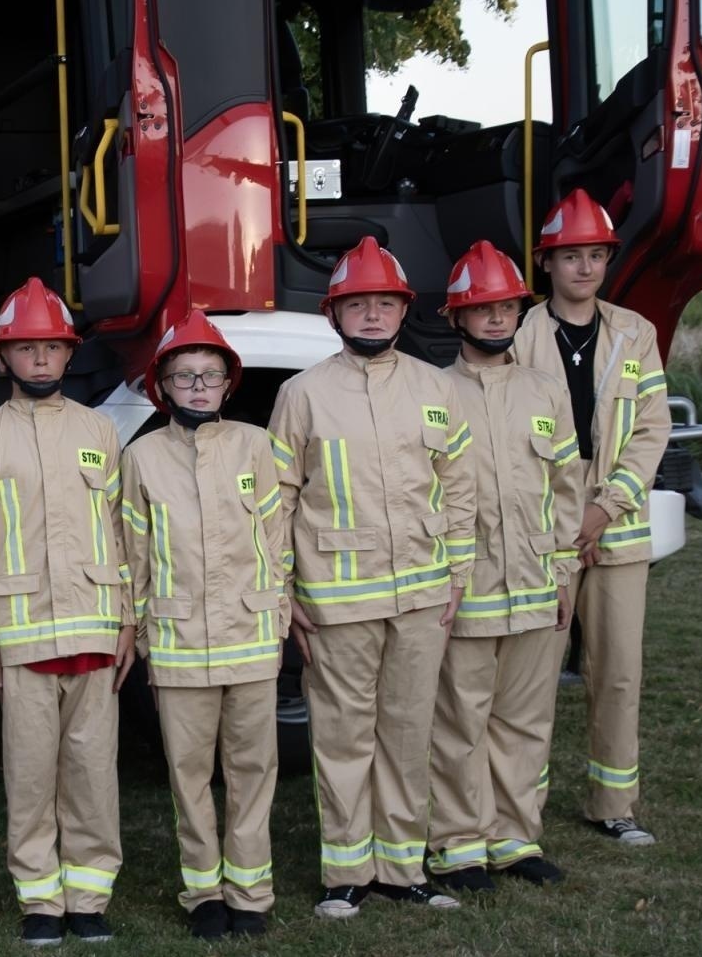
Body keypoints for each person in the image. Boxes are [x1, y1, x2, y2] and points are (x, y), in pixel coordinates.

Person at [267, 236, 476, 918]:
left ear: (402, 310)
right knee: (343, 735)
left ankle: (403, 867)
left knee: (408, 730)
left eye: (384, 302)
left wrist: (458, 572)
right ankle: (346, 873)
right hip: (335, 602)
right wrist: (284, 590)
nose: (372, 315)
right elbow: (277, 502)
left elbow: (460, 486)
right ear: (335, 314)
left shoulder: (437, 388)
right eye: (358, 303)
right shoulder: (301, 395)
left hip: (421, 593)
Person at [0, 277, 135, 947]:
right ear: (2, 357)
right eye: (25, 349)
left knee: (92, 770)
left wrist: (127, 623)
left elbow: (122, 533)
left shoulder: (99, 431)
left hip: (93, 626)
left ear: (68, 355)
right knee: (29, 773)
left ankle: (88, 898)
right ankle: (39, 900)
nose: (39, 361)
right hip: (20, 634)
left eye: (51, 349)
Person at [120, 311, 287, 940]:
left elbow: (276, 538)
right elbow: (132, 556)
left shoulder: (255, 447)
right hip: (178, 641)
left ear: (227, 385)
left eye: (209, 376)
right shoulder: (140, 459)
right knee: (189, 773)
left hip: (248, 635)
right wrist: (136, 630)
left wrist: (278, 612)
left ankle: (251, 890)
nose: (197, 386)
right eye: (183, 375)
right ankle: (203, 892)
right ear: (163, 384)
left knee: (252, 769)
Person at [512, 189, 671, 847]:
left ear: (608, 260)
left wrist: (607, 506)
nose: (583, 267)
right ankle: (520, 808)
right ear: (546, 264)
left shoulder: (636, 333)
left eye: (595, 256)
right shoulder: (517, 335)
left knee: (618, 669)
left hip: (617, 528)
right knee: (530, 674)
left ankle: (615, 804)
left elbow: (652, 429)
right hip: (542, 531)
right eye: (569, 256)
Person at [426, 241, 584, 893]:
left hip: (538, 583)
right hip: (470, 588)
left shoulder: (546, 391)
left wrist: (567, 571)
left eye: (508, 307)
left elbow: (567, 486)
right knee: (460, 720)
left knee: (526, 719)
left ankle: (516, 839)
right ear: (457, 317)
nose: (497, 319)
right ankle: (458, 847)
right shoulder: (431, 391)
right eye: (483, 308)